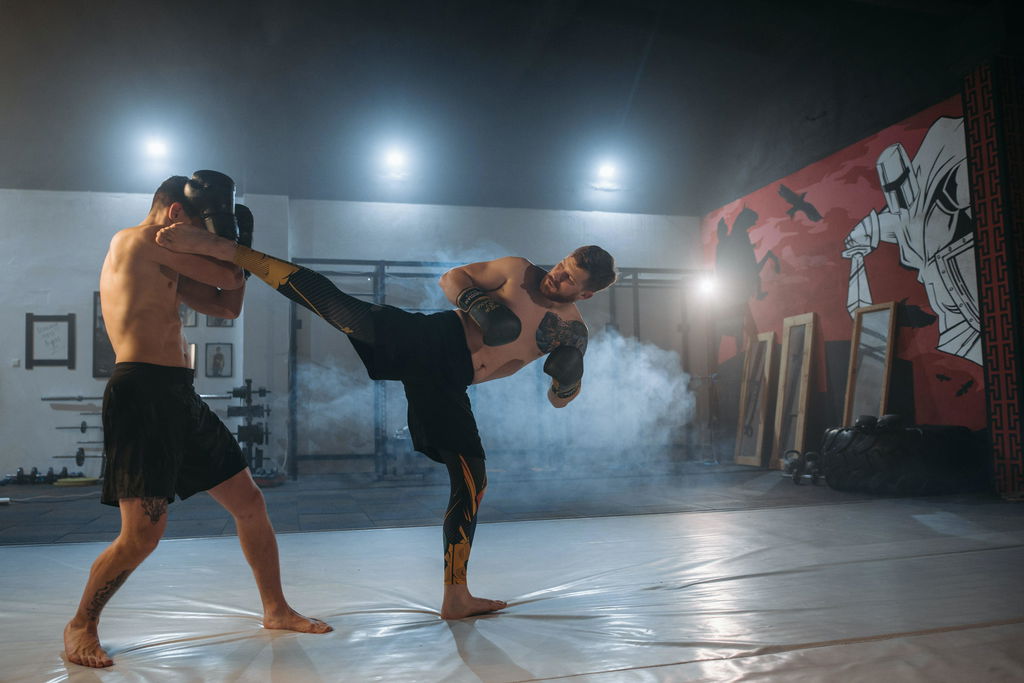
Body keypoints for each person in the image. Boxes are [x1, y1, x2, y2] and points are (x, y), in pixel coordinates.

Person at [155, 224, 616, 619]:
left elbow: (559, 402)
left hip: (451, 382)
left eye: (568, 279)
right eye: (561, 265)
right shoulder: (518, 270)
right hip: (431, 338)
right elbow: (453, 277)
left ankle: (456, 596)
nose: (555, 276)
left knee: (473, 479)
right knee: (337, 306)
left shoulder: (572, 331)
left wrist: (567, 378)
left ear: (587, 293)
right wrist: (480, 303)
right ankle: (229, 250)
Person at [64, 173, 331, 669]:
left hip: (179, 395)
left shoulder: (164, 262)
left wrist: (235, 251)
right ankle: (81, 623)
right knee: (142, 533)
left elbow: (228, 302)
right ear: (174, 214)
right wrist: (231, 246)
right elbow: (228, 272)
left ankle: (275, 609)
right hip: (141, 393)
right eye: (198, 227)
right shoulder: (136, 241)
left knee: (250, 502)